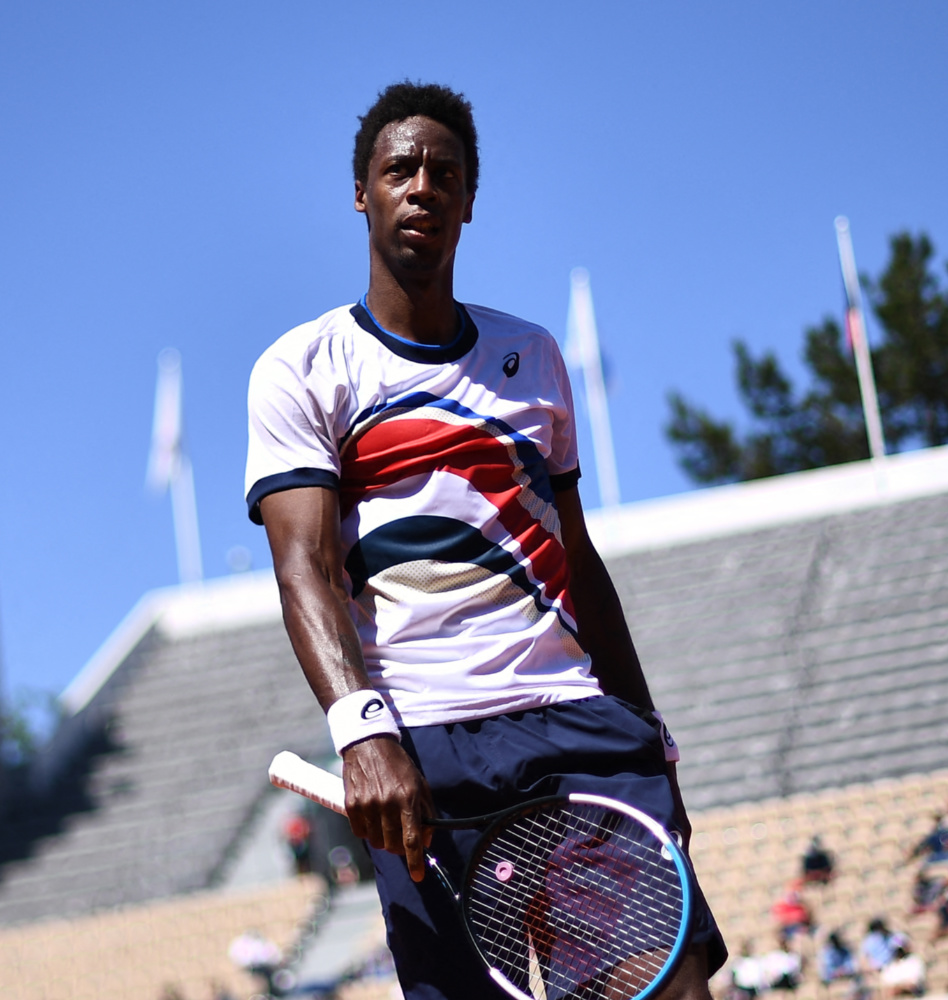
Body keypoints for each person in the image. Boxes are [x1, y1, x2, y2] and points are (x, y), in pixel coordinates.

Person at [248, 81, 724, 1000]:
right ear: (363, 193)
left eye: (445, 172)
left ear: (471, 199)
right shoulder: (301, 368)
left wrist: (647, 734)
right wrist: (362, 734)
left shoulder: (534, 358)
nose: (422, 186)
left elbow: (577, 559)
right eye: (399, 169)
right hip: (422, 750)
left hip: (579, 728)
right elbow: (301, 565)